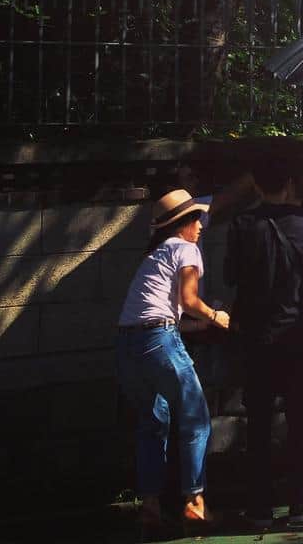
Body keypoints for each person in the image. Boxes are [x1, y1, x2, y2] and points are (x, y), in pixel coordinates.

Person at [224, 166, 303, 530]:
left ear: (256, 184)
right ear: (289, 184)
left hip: (258, 335)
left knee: (258, 421)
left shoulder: (242, 224)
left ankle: (259, 507)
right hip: (301, 333)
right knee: (301, 419)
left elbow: (230, 276)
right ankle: (301, 502)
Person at [116, 188, 231, 534]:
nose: (201, 225)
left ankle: (150, 505)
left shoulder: (156, 255)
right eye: (197, 218)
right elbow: (189, 299)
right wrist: (216, 316)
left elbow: (163, 313)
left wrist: (199, 323)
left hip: (128, 345)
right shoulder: (185, 249)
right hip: (159, 341)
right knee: (196, 418)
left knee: (153, 424)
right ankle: (194, 501)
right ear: (182, 223)